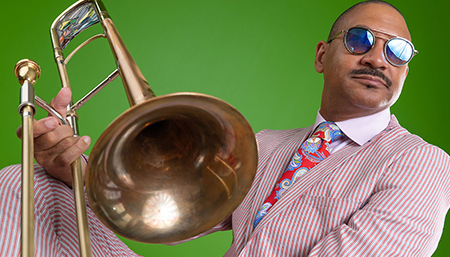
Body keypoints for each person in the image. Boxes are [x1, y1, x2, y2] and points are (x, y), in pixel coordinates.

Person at [1, 0, 449, 256]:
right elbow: (152, 215)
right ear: (321, 56)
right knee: (26, 182)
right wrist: (67, 166)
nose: (377, 59)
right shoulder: (266, 146)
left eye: (400, 52)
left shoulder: (422, 163)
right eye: (360, 40)